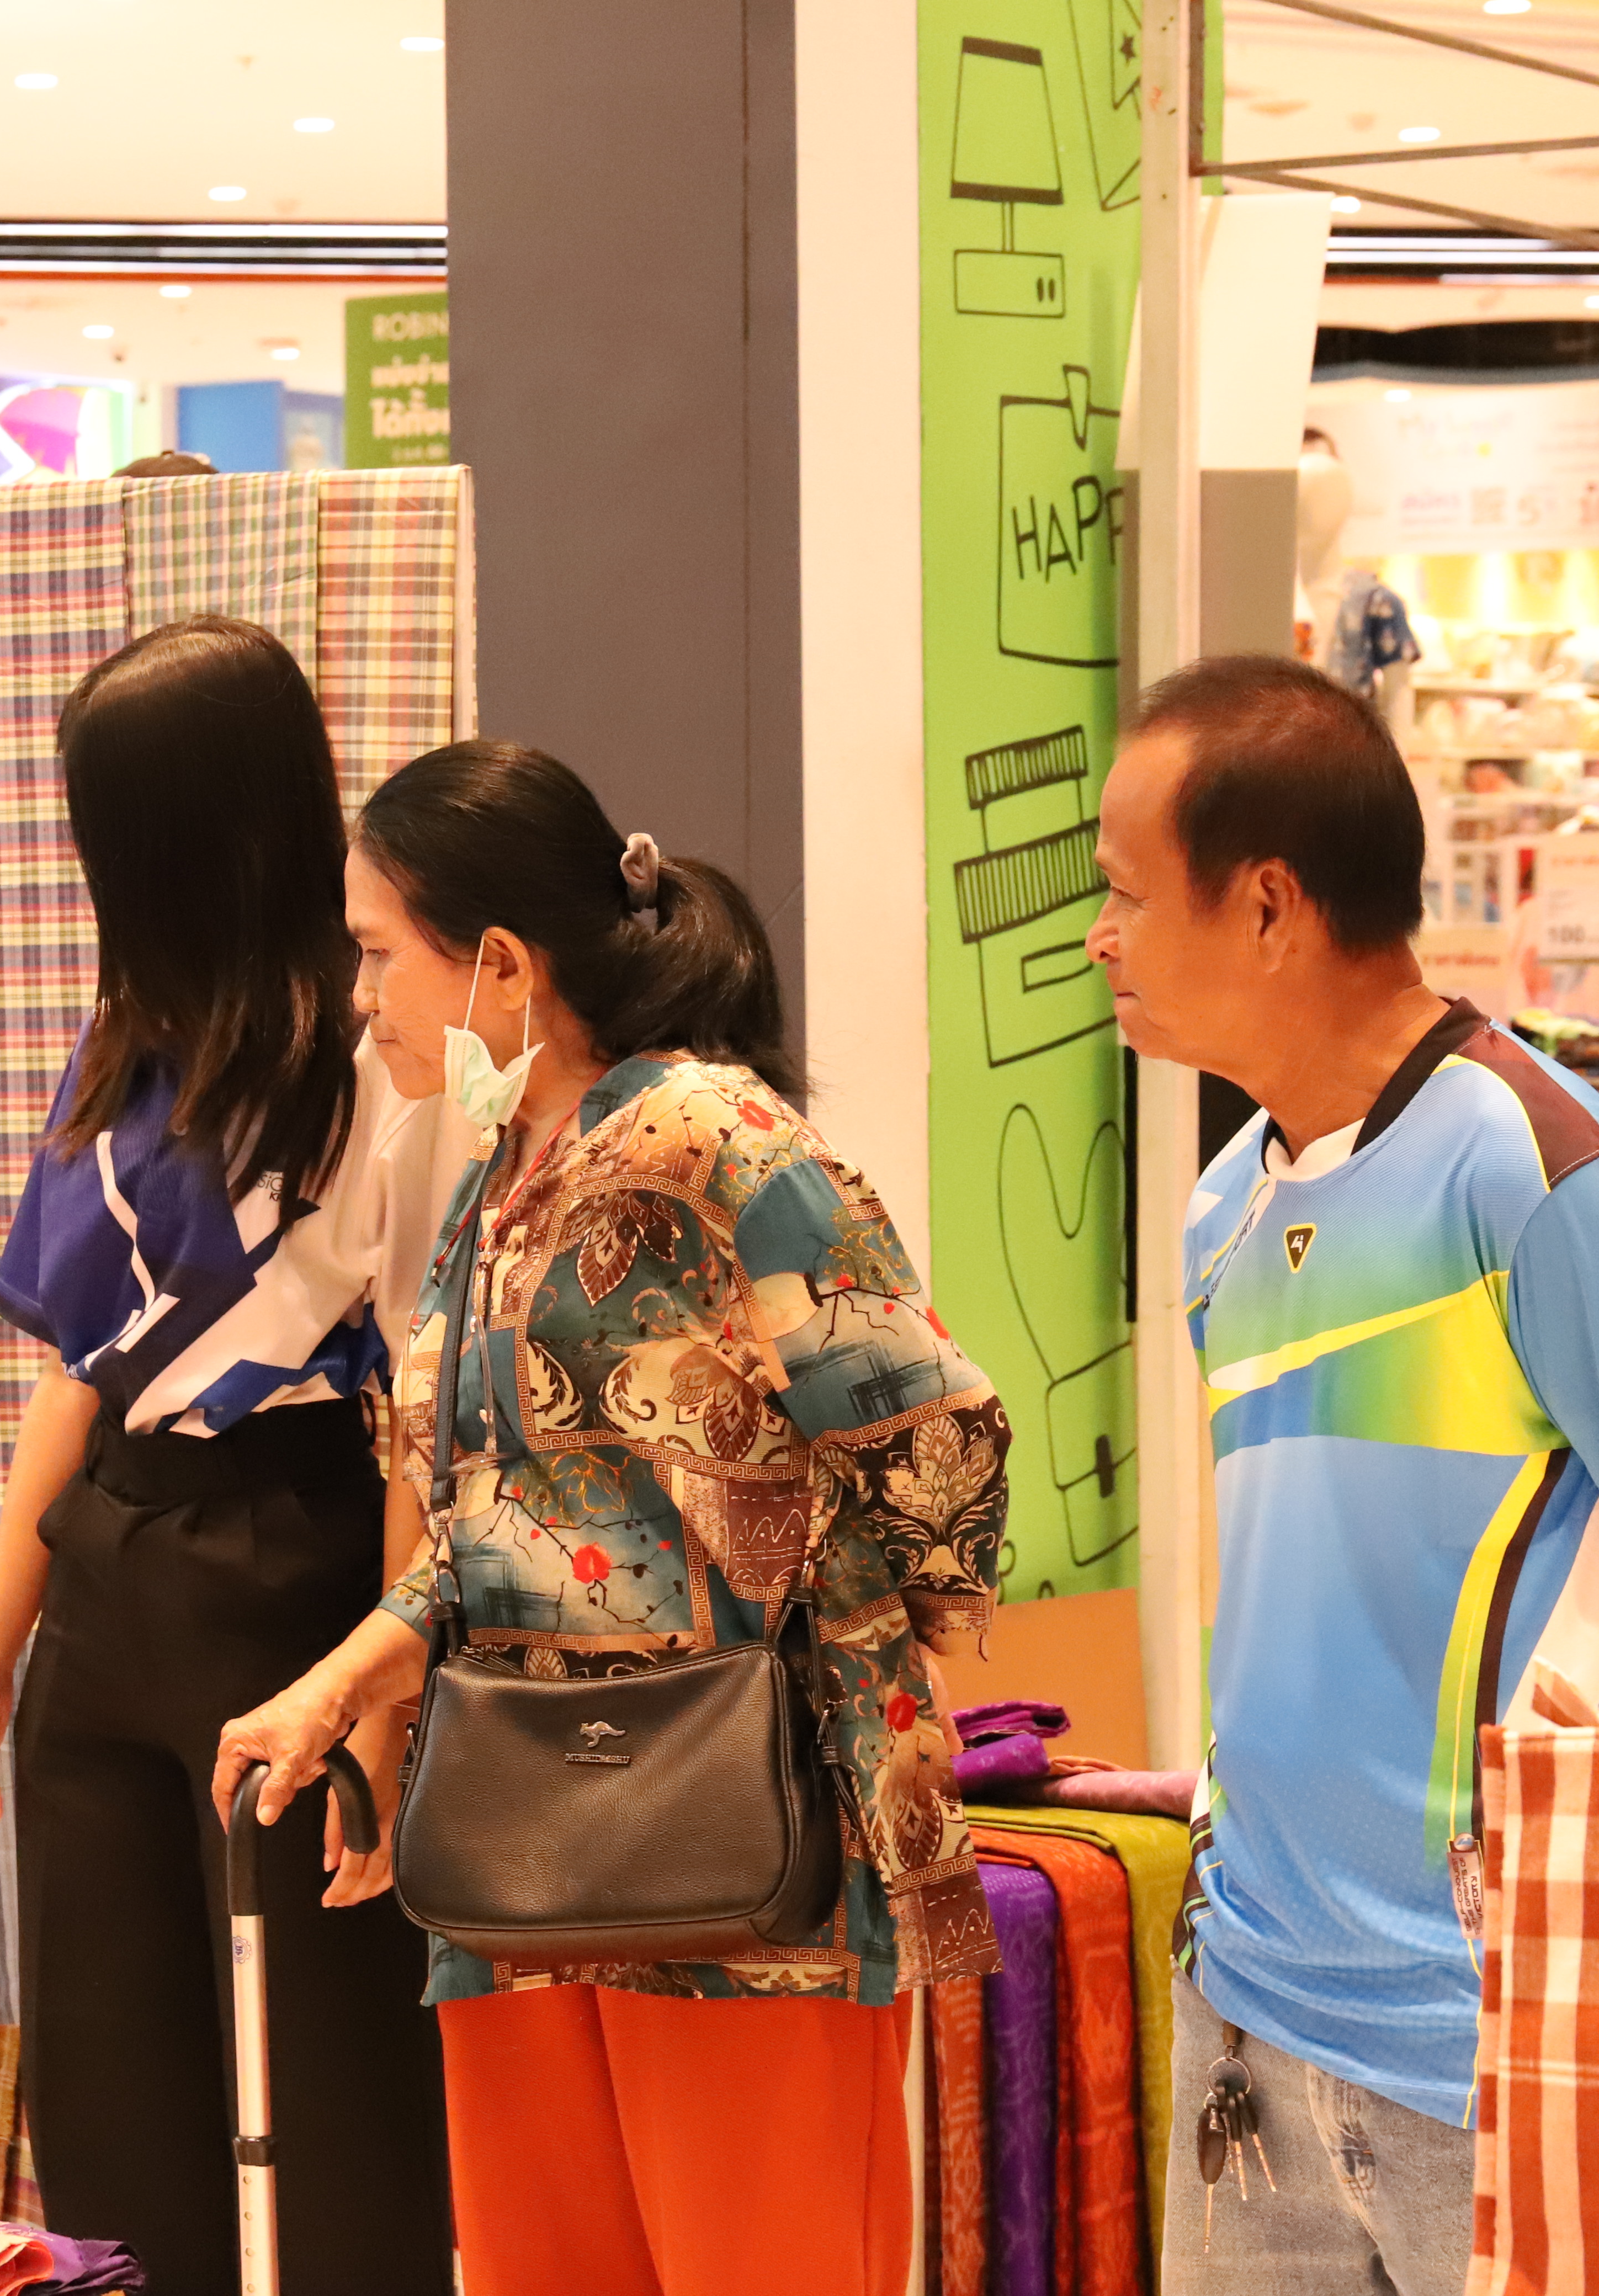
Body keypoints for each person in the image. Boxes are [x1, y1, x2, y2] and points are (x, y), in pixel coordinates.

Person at [213, 740, 1008, 2296]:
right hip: (525, 1846)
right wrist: (348, 1682)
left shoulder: (717, 1141)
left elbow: (936, 1434)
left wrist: (853, 1666)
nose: (363, 1001)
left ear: (503, 965)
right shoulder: (497, 1179)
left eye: (380, 954)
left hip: (753, 1849)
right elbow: (503, 1523)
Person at [1085, 656, 1599, 2296]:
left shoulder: (1548, 1173)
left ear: (1267, 906)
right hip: (1250, 2011)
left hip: (1499, 2044)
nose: (1098, 939)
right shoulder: (1223, 1207)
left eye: (1125, 894)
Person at [0, 616, 459, 2296]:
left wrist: (383, 1704)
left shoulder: (377, 1060)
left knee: (325, 2096)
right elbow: (78, 1374)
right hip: (109, 1576)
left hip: (296, 1570)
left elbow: (419, 1412)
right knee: (111, 2092)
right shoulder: (123, 1049)